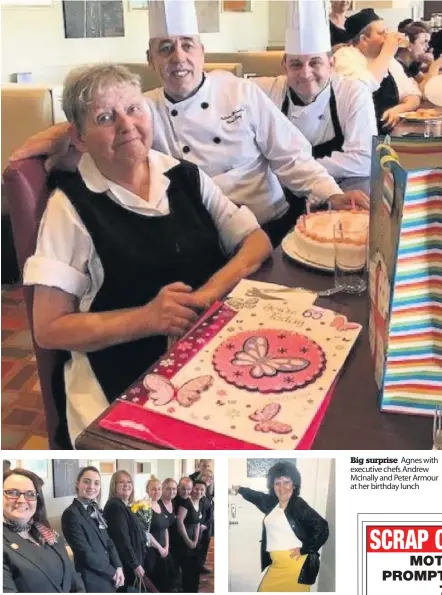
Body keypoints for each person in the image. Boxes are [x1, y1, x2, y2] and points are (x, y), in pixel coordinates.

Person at [22, 62, 272, 447]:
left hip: (207, 353)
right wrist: (148, 318)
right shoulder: (69, 207)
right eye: (105, 117)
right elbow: (50, 328)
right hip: (120, 375)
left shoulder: (185, 176)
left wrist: (208, 293)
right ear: (80, 138)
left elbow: (256, 242)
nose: (125, 125)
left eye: (133, 109)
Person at [12, 0, 369, 250]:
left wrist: (332, 195)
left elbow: (292, 159)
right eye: (165, 48)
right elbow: (100, 137)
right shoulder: (141, 109)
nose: (178, 57)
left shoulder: (241, 92)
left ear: (202, 52)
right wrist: (62, 133)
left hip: (268, 226)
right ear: (150, 59)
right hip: (199, 238)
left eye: (186, 46)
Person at [254, 0, 377, 197]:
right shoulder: (269, 91)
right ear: (284, 65)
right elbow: (225, 89)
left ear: (331, 64)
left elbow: (364, 159)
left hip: (342, 191)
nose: (306, 73)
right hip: (283, 195)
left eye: (315, 63)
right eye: (295, 64)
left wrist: (297, 172)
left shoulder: (352, 91)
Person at [231, 461, 329, 592]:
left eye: (286, 482)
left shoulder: (297, 504)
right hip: (278, 565)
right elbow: (257, 497)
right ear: (273, 485)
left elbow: (322, 528)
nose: (282, 488)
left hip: (295, 566)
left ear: (294, 484)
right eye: (277, 483)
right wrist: (240, 489)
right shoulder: (273, 503)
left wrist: (304, 549)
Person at [333, 8, 421, 133]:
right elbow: (364, 86)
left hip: (387, 134)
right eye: (381, 33)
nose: (387, 37)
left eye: (387, 31)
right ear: (364, 39)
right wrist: (387, 51)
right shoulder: (345, 57)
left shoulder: (389, 61)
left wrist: (400, 109)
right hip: (355, 137)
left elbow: (414, 95)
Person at [3, 468, 85, 593]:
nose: (21, 500)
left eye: (30, 494)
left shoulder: (48, 534)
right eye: (12, 492)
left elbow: (73, 579)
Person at [61, 466, 124, 592]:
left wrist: (118, 566)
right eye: (86, 481)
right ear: (77, 484)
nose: (91, 487)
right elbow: (85, 554)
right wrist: (112, 572)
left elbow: (108, 541)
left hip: (108, 576)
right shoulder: (71, 514)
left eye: (96, 483)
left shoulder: (96, 509)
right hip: (91, 580)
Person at [103, 471, 147, 592]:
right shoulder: (115, 507)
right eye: (122, 482)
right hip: (126, 566)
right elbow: (122, 539)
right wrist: (135, 564)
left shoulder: (124, 506)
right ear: (114, 486)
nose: (126, 485)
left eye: (129, 482)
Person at [144, 478, 176, 592]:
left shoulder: (160, 505)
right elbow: (146, 532)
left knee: (168, 582)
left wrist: (166, 546)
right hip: (152, 551)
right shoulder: (145, 507)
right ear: (147, 491)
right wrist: (160, 548)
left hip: (164, 549)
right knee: (156, 583)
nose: (157, 491)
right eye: (153, 489)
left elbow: (165, 527)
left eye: (159, 489)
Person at [176, 479, 206, 593]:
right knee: (187, 573)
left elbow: (197, 523)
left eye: (202, 489)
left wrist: (195, 540)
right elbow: (180, 522)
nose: (199, 491)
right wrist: (189, 541)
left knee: (195, 571)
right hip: (184, 541)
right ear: (192, 489)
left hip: (194, 541)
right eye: (196, 489)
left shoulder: (200, 502)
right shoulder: (186, 503)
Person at [198, 469, 214, 574]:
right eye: (205, 476)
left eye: (211, 477)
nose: (208, 479)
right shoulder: (199, 490)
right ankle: (197, 567)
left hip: (208, 524)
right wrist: (200, 524)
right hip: (200, 525)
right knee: (198, 547)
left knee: (205, 546)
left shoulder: (209, 491)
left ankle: (201, 566)